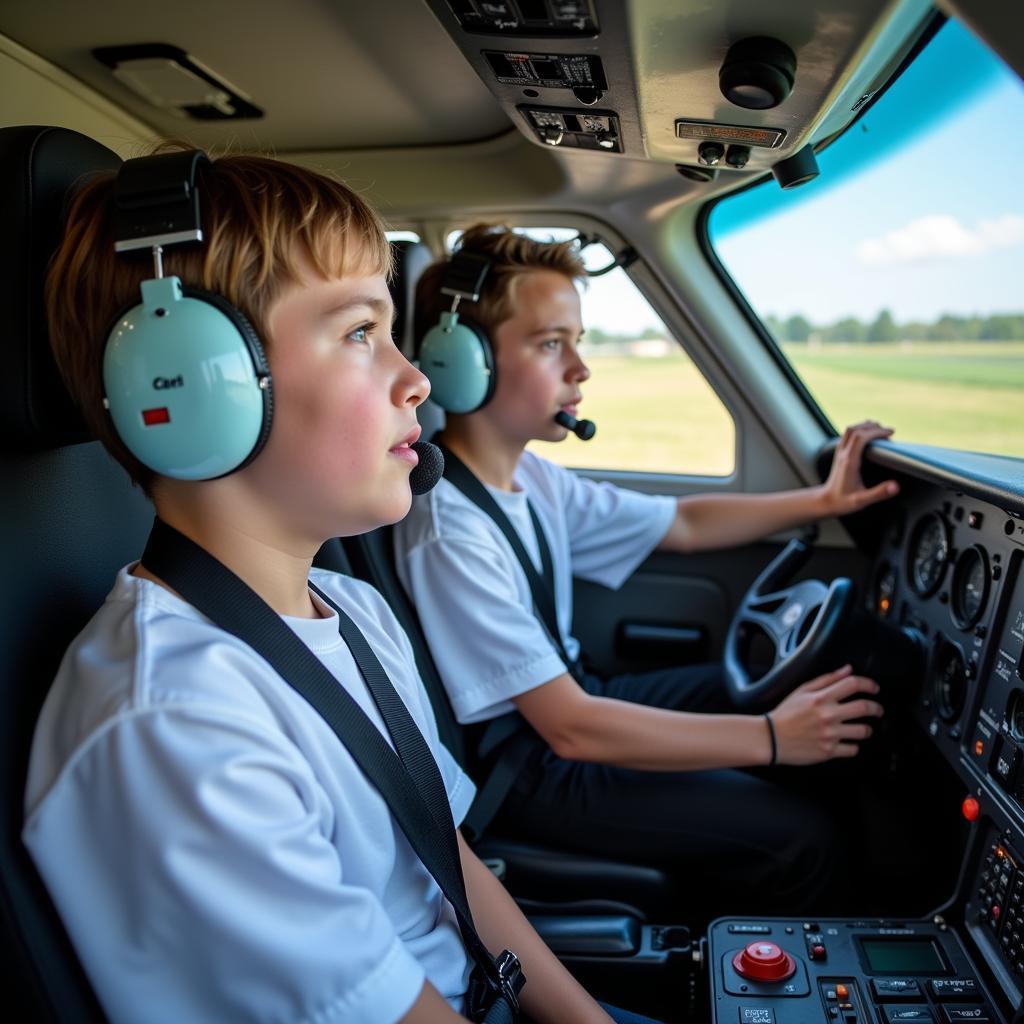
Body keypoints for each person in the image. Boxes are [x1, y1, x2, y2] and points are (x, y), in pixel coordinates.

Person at [22, 152, 660, 1024]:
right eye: (361, 332)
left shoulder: (347, 608)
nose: (418, 380)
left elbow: (446, 860)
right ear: (186, 380)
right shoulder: (177, 725)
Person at [394, 223, 900, 916]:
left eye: (578, 341)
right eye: (551, 344)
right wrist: (775, 738)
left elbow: (684, 525)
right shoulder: (450, 528)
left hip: (574, 709)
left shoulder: (534, 479)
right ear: (462, 361)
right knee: (801, 840)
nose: (581, 369)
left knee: (798, 686)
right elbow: (571, 727)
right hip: (535, 767)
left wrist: (825, 500)